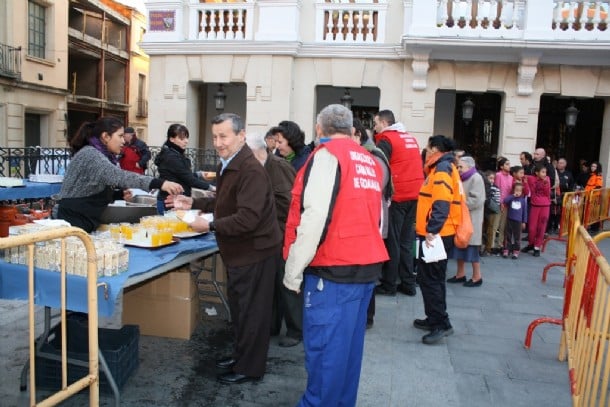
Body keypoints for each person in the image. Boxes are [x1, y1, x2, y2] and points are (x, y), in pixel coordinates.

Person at [283, 104, 388, 406]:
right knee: (347, 359)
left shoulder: (329, 156)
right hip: (364, 265)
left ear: (319, 129)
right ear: (350, 128)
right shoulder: (366, 158)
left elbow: (315, 217)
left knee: (325, 359)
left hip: (333, 271)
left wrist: (293, 271)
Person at [170, 113, 282, 384]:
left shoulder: (250, 169)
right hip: (240, 251)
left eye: (224, 136)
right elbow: (225, 201)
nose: (218, 143)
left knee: (252, 313)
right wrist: (194, 204)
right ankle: (241, 357)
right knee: (241, 311)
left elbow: (248, 217)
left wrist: (208, 226)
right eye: (215, 137)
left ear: (241, 136)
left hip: (255, 251)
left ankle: (250, 368)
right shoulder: (228, 163)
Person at [55, 118, 183, 233]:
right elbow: (120, 176)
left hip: (84, 219)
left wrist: (118, 195)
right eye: (120, 136)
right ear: (105, 136)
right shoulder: (91, 154)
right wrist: (161, 183)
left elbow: (90, 188)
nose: (124, 141)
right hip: (72, 221)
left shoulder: (101, 155)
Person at [245, 132, 302, 348]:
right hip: (271, 234)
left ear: (257, 152)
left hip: (284, 234)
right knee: (272, 282)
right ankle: (272, 325)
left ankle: (296, 330)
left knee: (286, 282)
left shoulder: (278, 167)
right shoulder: (260, 167)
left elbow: (290, 205)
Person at [413, 135, 461, 344]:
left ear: (435, 149)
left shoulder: (441, 169)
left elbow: (441, 203)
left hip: (437, 233)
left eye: (428, 148)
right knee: (433, 278)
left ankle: (440, 324)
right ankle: (437, 318)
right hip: (440, 232)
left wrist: (432, 230)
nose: (426, 152)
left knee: (430, 279)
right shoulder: (444, 167)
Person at [373, 109, 424, 296]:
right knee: (405, 241)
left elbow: (382, 165)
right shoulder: (409, 138)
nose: (375, 127)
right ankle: (408, 283)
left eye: (376, 123)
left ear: (385, 123)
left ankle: (389, 284)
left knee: (393, 242)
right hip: (415, 195)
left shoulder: (386, 139)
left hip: (398, 196)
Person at [352, 118, 393, 329]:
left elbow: (374, 188)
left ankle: (367, 317)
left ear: (357, 135)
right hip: (368, 221)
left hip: (373, 223)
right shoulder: (364, 155)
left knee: (368, 272)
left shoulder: (374, 157)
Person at [154, 124, 211, 214]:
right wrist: (211, 188)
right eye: (182, 139)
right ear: (172, 139)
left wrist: (199, 174)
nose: (186, 141)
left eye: (187, 138)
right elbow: (189, 179)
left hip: (175, 200)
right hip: (170, 202)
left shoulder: (175, 153)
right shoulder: (171, 157)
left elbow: (181, 175)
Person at [447, 156, 485, 287]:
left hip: (471, 219)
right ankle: (460, 274)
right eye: (458, 167)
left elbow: (477, 200)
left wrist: (458, 205)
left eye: (461, 167)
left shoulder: (476, 178)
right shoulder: (462, 178)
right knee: (460, 246)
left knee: (472, 249)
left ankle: (477, 277)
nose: (458, 169)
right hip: (462, 218)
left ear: (469, 166)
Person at [522, 164, 551, 257]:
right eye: (542, 172)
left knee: (541, 227)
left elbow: (547, 192)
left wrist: (545, 183)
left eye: (545, 172)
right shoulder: (531, 178)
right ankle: (531, 244)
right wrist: (525, 182)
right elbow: (523, 176)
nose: (544, 174)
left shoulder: (547, 179)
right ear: (536, 173)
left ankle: (537, 247)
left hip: (545, 205)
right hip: (535, 205)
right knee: (531, 228)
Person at [492, 157, 513, 254]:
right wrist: (500, 202)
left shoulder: (511, 177)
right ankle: (491, 245)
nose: (509, 166)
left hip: (507, 204)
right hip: (499, 203)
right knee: (495, 225)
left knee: (503, 226)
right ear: (501, 166)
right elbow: (497, 189)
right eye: (507, 164)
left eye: (509, 164)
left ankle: (500, 245)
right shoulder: (498, 175)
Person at [503, 183, 528, 259]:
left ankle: (516, 251)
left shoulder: (523, 201)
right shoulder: (511, 198)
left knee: (517, 236)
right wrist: (513, 195)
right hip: (510, 219)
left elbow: (524, 212)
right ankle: (507, 249)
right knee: (508, 235)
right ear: (513, 190)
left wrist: (524, 221)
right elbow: (505, 200)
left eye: (520, 190)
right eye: (516, 190)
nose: (518, 192)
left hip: (518, 221)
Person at [585, 161, 603, 232]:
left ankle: (594, 228)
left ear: (597, 168)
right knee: (590, 212)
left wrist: (592, 193)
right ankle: (591, 226)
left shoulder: (598, 175)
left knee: (594, 212)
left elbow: (598, 186)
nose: (593, 168)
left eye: (594, 166)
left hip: (594, 197)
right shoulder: (592, 175)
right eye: (592, 166)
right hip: (589, 196)